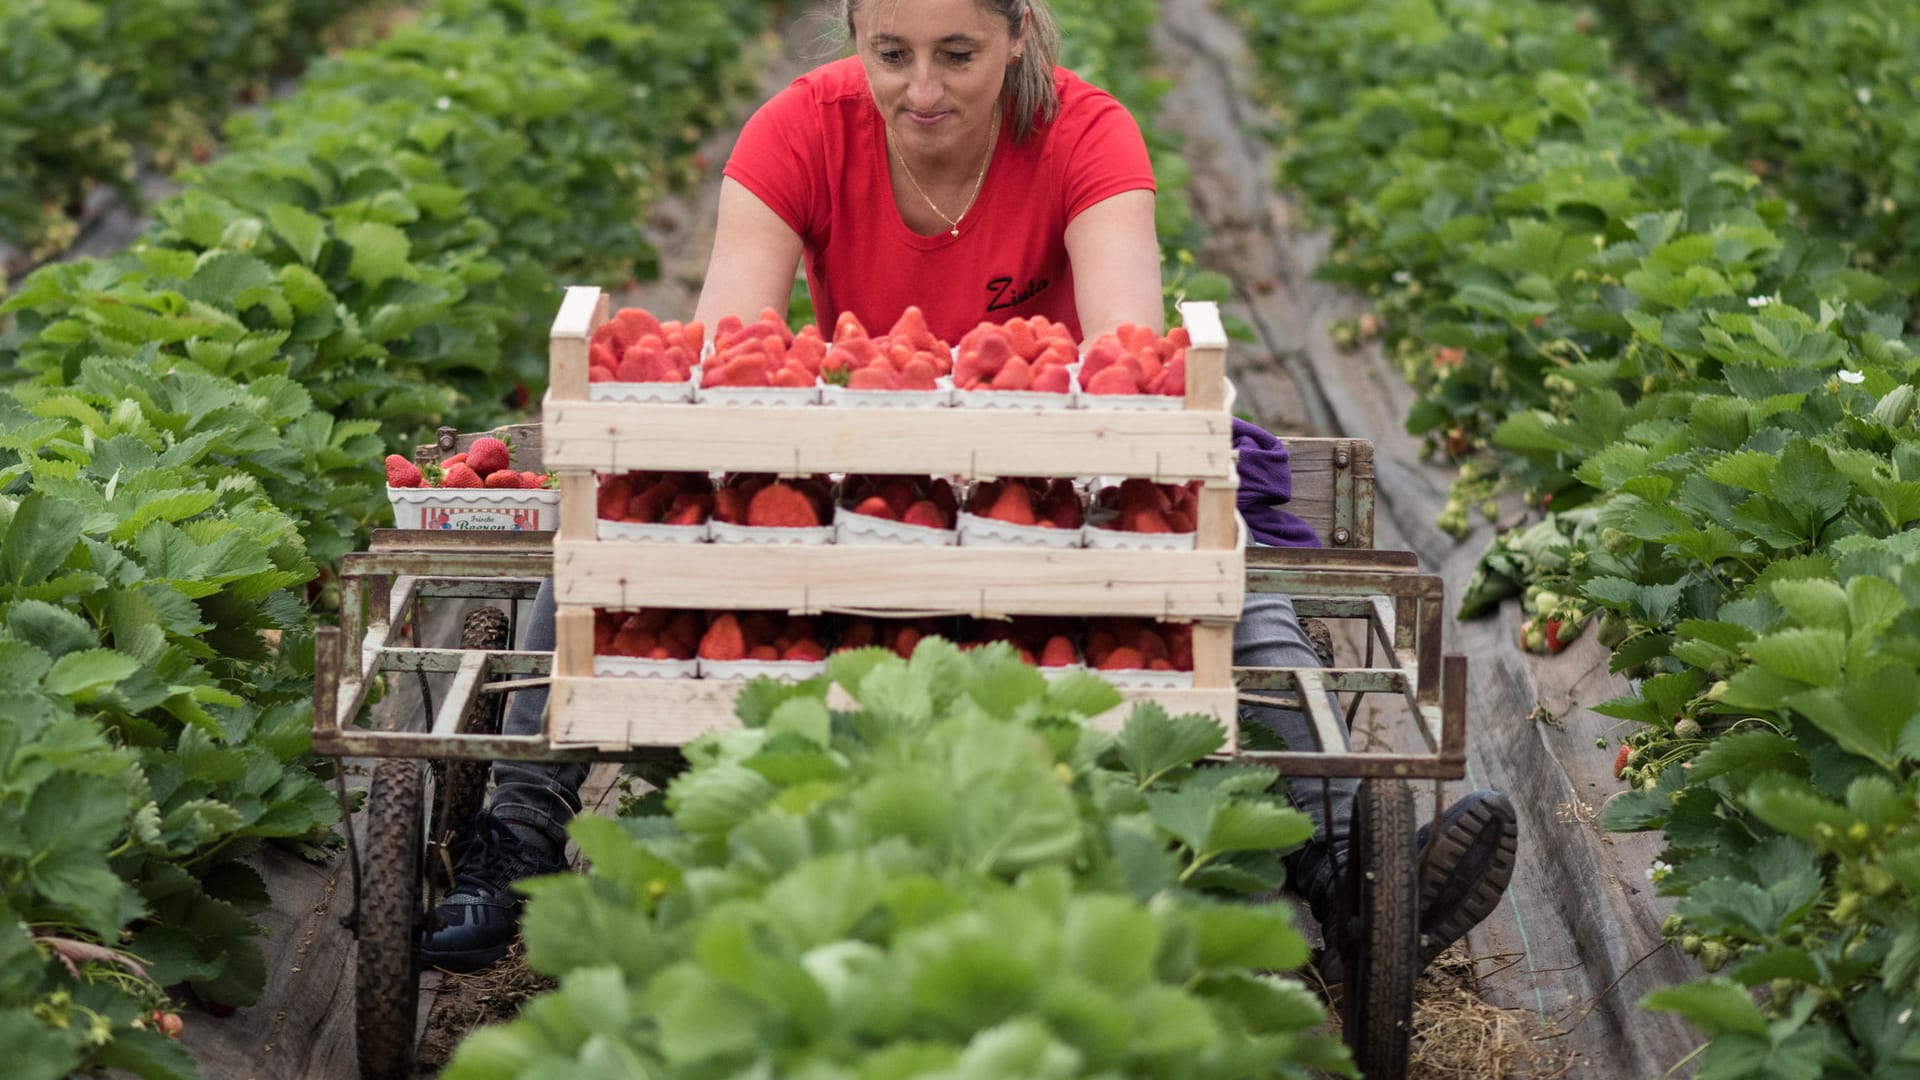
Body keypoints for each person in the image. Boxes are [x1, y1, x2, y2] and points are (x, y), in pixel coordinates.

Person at [419, 0, 1516, 977]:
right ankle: (512, 845)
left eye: (958, 53)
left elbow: (1123, 352)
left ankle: (1348, 884)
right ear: (853, 31)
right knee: (600, 552)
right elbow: (727, 346)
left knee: (1228, 573)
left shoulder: (1086, 132)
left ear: (1018, 33)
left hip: (1046, 475)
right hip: (852, 465)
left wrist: (1032, 430)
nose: (923, 88)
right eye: (891, 53)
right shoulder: (799, 129)